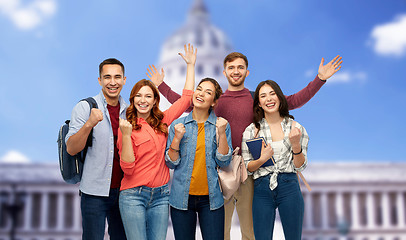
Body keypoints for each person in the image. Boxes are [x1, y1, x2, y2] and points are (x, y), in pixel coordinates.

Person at [151, 52, 342, 240]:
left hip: (251, 171)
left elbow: (292, 101)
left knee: (250, 232)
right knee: (221, 231)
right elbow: (186, 103)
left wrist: (319, 79)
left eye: (240, 67)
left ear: (247, 72)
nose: (236, 71)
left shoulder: (255, 98)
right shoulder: (215, 101)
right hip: (221, 171)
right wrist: (161, 86)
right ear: (224, 72)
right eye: (231, 68)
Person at [116, 44, 196, 240]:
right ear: (133, 99)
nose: (143, 100)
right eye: (139, 96)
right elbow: (127, 168)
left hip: (161, 196)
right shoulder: (126, 127)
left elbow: (186, 100)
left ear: (154, 101)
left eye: (148, 96)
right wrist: (126, 136)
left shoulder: (163, 121)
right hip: (133, 195)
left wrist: (191, 65)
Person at [65, 58, 128, 240]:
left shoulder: (129, 110)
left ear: (124, 80)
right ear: (100, 80)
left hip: (124, 192)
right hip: (94, 193)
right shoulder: (85, 107)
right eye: (107, 77)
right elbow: (71, 148)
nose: (113, 82)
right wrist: (89, 124)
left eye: (117, 77)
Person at [165, 77, 233, 240]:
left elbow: (224, 162)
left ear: (213, 102)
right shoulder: (177, 124)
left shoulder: (221, 125)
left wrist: (222, 133)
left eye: (208, 92)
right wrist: (177, 139)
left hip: (212, 200)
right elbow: (170, 162)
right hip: (181, 199)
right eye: (199, 89)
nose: (201, 94)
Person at [242, 80, 309, 239]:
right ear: (259, 103)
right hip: (262, 189)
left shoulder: (296, 128)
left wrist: (295, 145)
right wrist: (262, 159)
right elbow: (248, 167)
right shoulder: (252, 130)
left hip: (289, 186)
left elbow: (300, 166)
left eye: (272, 94)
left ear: (280, 98)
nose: (269, 99)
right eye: (263, 96)